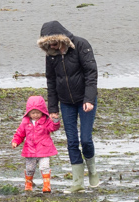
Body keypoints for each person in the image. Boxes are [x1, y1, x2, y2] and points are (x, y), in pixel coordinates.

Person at [40, 20, 97, 190]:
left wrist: (89, 99)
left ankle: (92, 171)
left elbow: (91, 73)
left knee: (85, 140)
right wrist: (53, 108)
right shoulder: (51, 54)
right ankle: (77, 183)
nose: (52, 45)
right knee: (72, 142)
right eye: (48, 43)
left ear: (61, 37)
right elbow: (51, 81)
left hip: (85, 100)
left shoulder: (81, 45)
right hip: (66, 103)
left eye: (54, 41)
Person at [12, 95, 59, 193]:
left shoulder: (46, 121)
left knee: (45, 167)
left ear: (43, 111)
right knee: (30, 168)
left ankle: (46, 185)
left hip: (44, 149)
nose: (35, 115)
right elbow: (20, 133)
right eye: (33, 113)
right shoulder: (25, 122)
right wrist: (16, 141)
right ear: (28, 113)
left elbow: (53, 128)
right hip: (30, 150)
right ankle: (28, 184)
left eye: (38, 112)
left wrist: (55, 121)